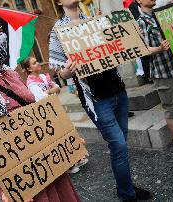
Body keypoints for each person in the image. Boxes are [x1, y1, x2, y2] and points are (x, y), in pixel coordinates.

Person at [0, 13, 81, 202]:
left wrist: (67, 140)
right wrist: (3, 179)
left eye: (0, 31)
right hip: (23, 182)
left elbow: (37, 114)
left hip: (51, 165)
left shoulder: (10, 74)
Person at [49, 1, 152, 201]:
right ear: (59, 2)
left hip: (118, 90)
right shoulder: (57, 30)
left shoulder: (95, 19)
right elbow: (60, 71)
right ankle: (127, 195)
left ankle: (125, 187)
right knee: (119, 145)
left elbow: (118, 45)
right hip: (97, 99)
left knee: (120, 144)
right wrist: (68, 71)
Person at [136, 0, 173, 155]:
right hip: (161, 72)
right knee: (171, 109)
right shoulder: (141, 22)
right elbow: (142, 50)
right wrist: (159, 48)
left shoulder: (161, 15)